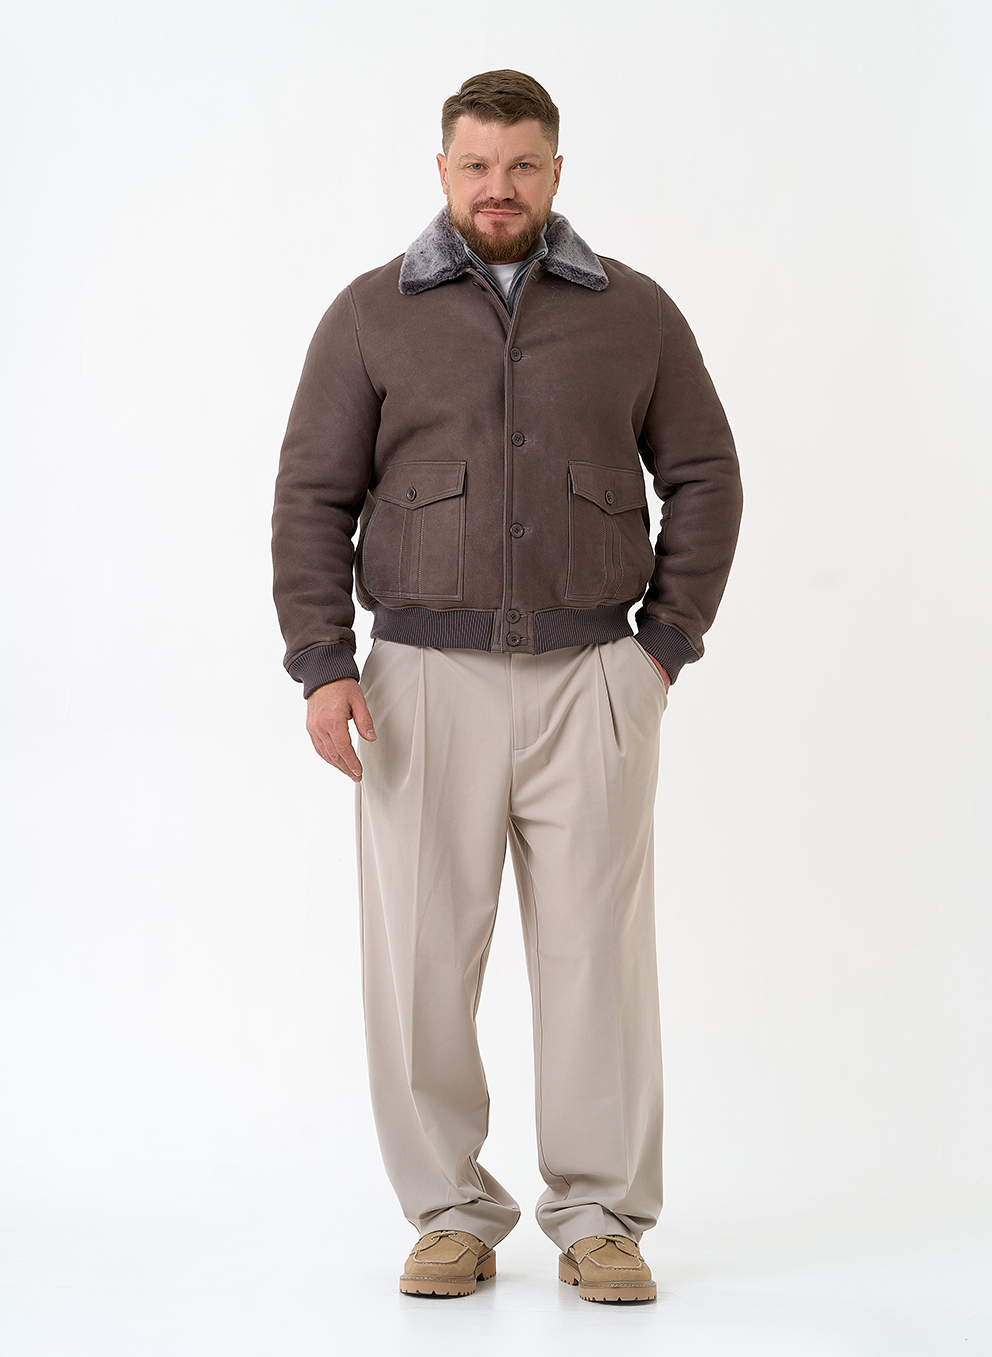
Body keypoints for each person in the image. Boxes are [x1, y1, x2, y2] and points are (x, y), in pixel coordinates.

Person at [271, 69, 743, 1304]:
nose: (499, 186)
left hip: (595, 676)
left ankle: (601, 1219)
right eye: (476, 164)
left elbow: (704, 475)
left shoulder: (633, 312)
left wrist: (661, 646)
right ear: (442, 171)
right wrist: (323, 662)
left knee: (597, 961)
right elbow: (312, 495)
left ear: (554, 172)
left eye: (522, 164)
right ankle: (447, 1212)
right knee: (421, 961)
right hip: (419, 683)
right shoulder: (369, 314)